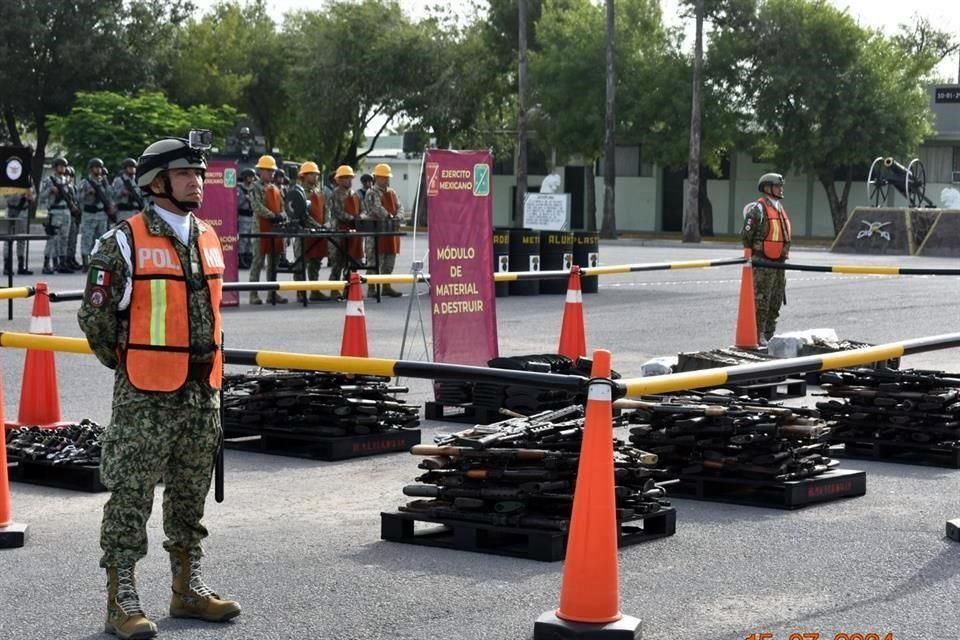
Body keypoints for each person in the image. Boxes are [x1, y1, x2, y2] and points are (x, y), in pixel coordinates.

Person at [77, 136, 240, 640]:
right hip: (145, 393)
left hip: (201, 390)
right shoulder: (122, 241)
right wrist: (129, 365)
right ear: (156, 182)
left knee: (190, 495)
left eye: (199, 173)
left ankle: (187, 587)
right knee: (131, 495)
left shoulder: (209, 236)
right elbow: (95, 319)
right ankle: (121, 597)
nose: (197, 181)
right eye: (185, 174)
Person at [741, 172, 792, 346]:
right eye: (778, 186)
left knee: (775, 302)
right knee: (761, 302)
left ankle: (769, 336)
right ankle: (758, 335)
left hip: (779, 264)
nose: (781, 189)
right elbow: (746, 235)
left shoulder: (779, 208)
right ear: (767, 188)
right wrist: (756, 253)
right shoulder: (758, 208)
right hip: (763, 263)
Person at [285, 161, 329, 302]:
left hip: (319, 232)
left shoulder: (319, 192)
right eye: (312, 174)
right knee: (300, 263)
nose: (315, 177)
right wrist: (317, 226)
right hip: (304, 233)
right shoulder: (299, 192)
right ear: (304, 176)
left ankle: (315, 290)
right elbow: (303, 214)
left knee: (316, 262)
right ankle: (301, 292)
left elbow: (325, 210)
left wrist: (326, 224)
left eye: (316, 174)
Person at [248, 155, 287, 305]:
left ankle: (272, 293)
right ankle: (253, 294)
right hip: (260, 228)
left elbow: (283, 206)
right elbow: (256, 206)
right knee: (258, 262)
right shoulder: (255, 187)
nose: (271, 174)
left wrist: (281, 216)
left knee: (273, 263)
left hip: (275, 229)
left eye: (272, 171)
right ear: (260, 171)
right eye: (268, 171)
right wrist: (272, 216)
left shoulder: (276, 188)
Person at [362, 163, 404, 297]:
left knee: (389, 262)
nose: (386, 180)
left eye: (387, 177)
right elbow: (376, 208)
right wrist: (389, 216)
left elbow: (400, 206)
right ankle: (372, 288)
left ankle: (386, 286)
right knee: (374, 261)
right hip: (376, 232)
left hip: (390, 231)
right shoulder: (372, 192)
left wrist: (398, 217)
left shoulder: (392, 192)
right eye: (383, 177)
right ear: (377, 177)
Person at [326, 165, 363, 295]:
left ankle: (349, 289)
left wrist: (360, 218)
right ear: (339, 180)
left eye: (350, 177)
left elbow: (361, 210)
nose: (349, 180)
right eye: (346, 178)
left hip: (353, 232)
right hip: (339, 231)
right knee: (338, 262)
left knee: (352, 262)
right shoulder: (335, 194)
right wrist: (351, 218)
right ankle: (334, 289)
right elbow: (337, 212)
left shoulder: (355, 194)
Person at [39, 157, 77, 274]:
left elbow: (72, 197)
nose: (62, 168)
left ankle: (62, 263)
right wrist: (50, 190)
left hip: (66, 212)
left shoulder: (66, 181)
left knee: (64, 239)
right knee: (52, 239)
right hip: (55, 212)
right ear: (55, 168)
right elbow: (41, 197)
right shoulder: (48, 180)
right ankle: (46, 264)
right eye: (60, 166)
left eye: (64, 166)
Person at [79, 157, 116, 271]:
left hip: (101, 214)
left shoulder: (104, 182)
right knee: (87, 238)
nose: (98, 170)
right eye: (95, 167)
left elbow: (110, 196)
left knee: (101, 239)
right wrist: (87, 193)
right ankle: (86, 262)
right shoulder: (85, 182)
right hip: (89, 214)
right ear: (91, 169)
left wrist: (111, 206)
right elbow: (78, 198)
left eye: (100, 167)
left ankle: (99, 262)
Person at [3, 181, 35, 275]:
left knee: (22, 239)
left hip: (23, 212)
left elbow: (33, 195)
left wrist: (30, 196)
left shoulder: (28, 180)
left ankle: (21, 266)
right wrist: (21, 194)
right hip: (11, 210)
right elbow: (7, 196)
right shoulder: (8, 178)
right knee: (8, 239)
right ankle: (7, 266)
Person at [111, 158, 145, 222]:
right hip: (123, 212)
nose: (132, 169)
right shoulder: (118, 180)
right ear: (125, 168)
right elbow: (112, 194)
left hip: (137, 211)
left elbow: (143, 195)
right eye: (130, 167)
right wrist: (121, 192)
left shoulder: (138, 180)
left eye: (134, 167)